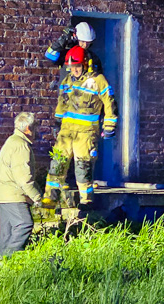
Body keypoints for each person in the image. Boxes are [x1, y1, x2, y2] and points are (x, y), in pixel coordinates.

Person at [42, 45, 117, 208]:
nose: (74, 70)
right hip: (66, 131)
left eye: (77, 66)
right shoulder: (67, 81)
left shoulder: (98, 81)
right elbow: (62, 103)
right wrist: (57, 122)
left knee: (83, 166)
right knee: (58, 162)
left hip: (86, 132)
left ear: (85, 64)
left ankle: (86, 200)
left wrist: (110, 124)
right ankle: (50, 197)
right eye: (72, 67)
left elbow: (109, 103)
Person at [0, 112, 43, 257]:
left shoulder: (11, 141)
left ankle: (3, 267)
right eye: (35, 127)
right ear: (28, 128)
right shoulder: (21, 146)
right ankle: (10, 258)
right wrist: (38, 198)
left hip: (2, 194)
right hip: (13, 194)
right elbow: (24, 178)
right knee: (24, 224)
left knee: (7, 233)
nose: (36, 131)